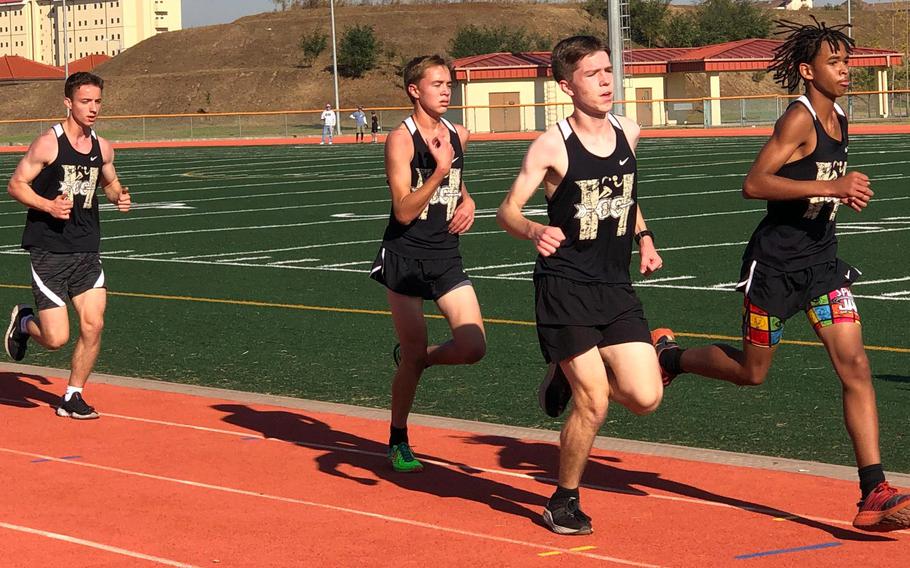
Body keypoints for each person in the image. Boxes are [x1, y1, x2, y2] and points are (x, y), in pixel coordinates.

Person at [651, 19, 910, 532]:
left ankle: (873, 489)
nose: (846, 70)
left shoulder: (841, 115)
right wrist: (834, 189)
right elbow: (754, 183)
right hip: (773, 269)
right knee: (753, 372)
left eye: (847, 61)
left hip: (822, 266)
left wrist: (837, 194)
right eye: (835, 63)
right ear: (807, 70)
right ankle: (670, 357)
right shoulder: (799, 119)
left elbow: (816, 185)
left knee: (855, 365)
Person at [497, 36, 664, 535]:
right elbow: (507, 210)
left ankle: (558, 374)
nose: (607, 81)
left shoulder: (629, 131)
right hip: (565, 285)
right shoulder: (552, 144)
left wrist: (645, 239)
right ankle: (563, 500)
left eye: (609, 71)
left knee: (644, 397)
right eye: (594, 74)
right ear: (567, 85)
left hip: (615, 286)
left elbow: (625, 195)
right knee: (594, 400)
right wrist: (532, 229)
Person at [369, 55, 486, 473]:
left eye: (449, 84)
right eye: (436, 83)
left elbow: (458, 182)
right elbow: (402, 211)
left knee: (473, 347)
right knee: (414, 354)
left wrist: (468, 200)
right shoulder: (400, 140)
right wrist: (438, 172)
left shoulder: (459, 134)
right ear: (414, 90)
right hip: (405, 257)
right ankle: (398, 436)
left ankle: (415, 357)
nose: (446, 90)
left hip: (445, 255)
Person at [4, 71, 131, 420]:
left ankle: (73, 395)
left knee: (94, 324)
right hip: (49, 251)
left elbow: (109, 181)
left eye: (97, 102)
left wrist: (119, 195)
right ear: (68, 102)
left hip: (87, 249)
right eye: (85, 101)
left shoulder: (102, 147)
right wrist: (47, 205)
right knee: (57, 338)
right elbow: (15, 185)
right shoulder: (48, 143)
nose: (92, 109)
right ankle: (24, 322)